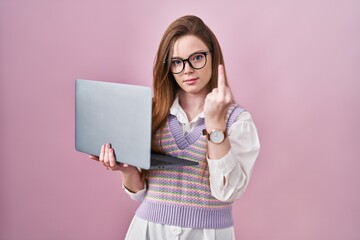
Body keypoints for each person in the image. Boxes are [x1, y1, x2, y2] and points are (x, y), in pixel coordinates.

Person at [89, 15, 260, 240]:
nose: (187, 69)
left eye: (197, 58)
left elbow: (227, 192)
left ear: (213, 56)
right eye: (177, 62)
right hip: (148, 230)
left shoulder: (238, 122)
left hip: (207, 234)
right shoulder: (152, 113)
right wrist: (127, 170)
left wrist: (215, 124)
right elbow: (142, 194)